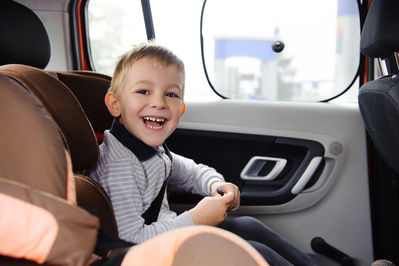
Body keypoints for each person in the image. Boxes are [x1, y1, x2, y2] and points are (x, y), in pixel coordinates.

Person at [90, 42, 319, 266]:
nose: (159, 102)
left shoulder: (154, 152)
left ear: (181, 109)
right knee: (253, 252)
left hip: (170, 237)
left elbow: (191, 172)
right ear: (115, 104)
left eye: (171, 94)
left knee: (247, 225)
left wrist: (215, 184)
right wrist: (195, 218)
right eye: (143, 91)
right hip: (149, 254)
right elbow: (132, 241)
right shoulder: (119, 164)